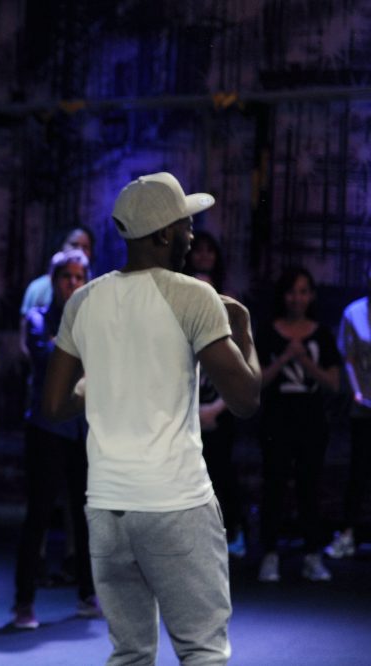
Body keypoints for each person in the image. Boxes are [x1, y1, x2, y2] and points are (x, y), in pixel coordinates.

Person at [42, 172, 261, 664]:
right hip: (175, 502)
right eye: (186, 226)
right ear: (163, 234)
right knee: (202, 649)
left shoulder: (84, 300)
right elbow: (246, 398)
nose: (192, 235)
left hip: (107, 508)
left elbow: (53, 406)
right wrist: (244, 330)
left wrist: (101, 382)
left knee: (131, 653)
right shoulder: (193, 296)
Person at [13, 248, 98, 630]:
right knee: (40, 515)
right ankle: (24, 603)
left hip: (81, 429)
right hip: (46, 429)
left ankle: (87, 594)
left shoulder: (93, 322)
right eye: (68, 277)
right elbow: (50, 361)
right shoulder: (36, 319)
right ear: (55, 281)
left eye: (80, 277)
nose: (74, 284)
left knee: (85, 515)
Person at [257, 267, 340, 583]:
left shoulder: (322, 334)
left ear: (312, 296)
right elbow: (258, 381)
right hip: (277, 420)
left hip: (311, 421)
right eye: (292, 291)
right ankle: (269, 554)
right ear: (283, 295)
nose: (297, 298)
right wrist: (283, 359)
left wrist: (304, 360)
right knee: (274, 487)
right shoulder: (267, 331)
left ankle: (312, 555)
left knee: (310, 488)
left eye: (304, 291)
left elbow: (333, 382)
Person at [185, 233, 246, 557]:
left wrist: (215, 409)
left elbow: (239, 370)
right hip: (184, 410)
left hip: (219, 408)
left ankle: (230, 532)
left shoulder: (230, 314)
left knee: (220, 472)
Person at [328, 264, 371, 559]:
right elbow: (349, 358)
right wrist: (358, 393)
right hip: (364, 405)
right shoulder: (354, 313)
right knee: (359, 471)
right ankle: (348, 534)